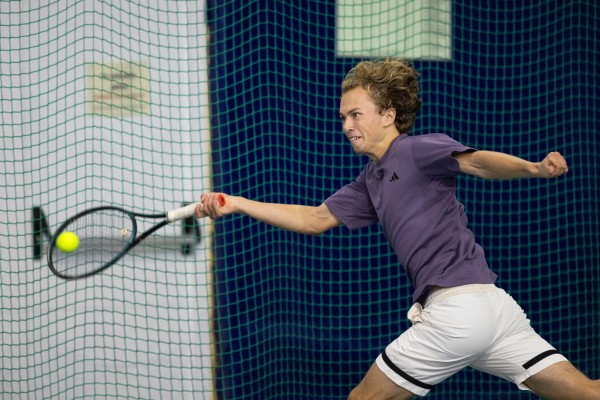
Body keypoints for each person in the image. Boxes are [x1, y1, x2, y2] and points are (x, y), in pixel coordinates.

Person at [197, 58, 599, 399]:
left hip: (459, 311)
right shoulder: (369, 181)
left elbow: (477, 162)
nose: (346, 125)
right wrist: (237, 203)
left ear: (388, 115)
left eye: (356, 114)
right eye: (343, 117)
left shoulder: (415, 150)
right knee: (587, 392)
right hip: (494, 310)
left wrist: (533, 168)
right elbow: (314, 219)